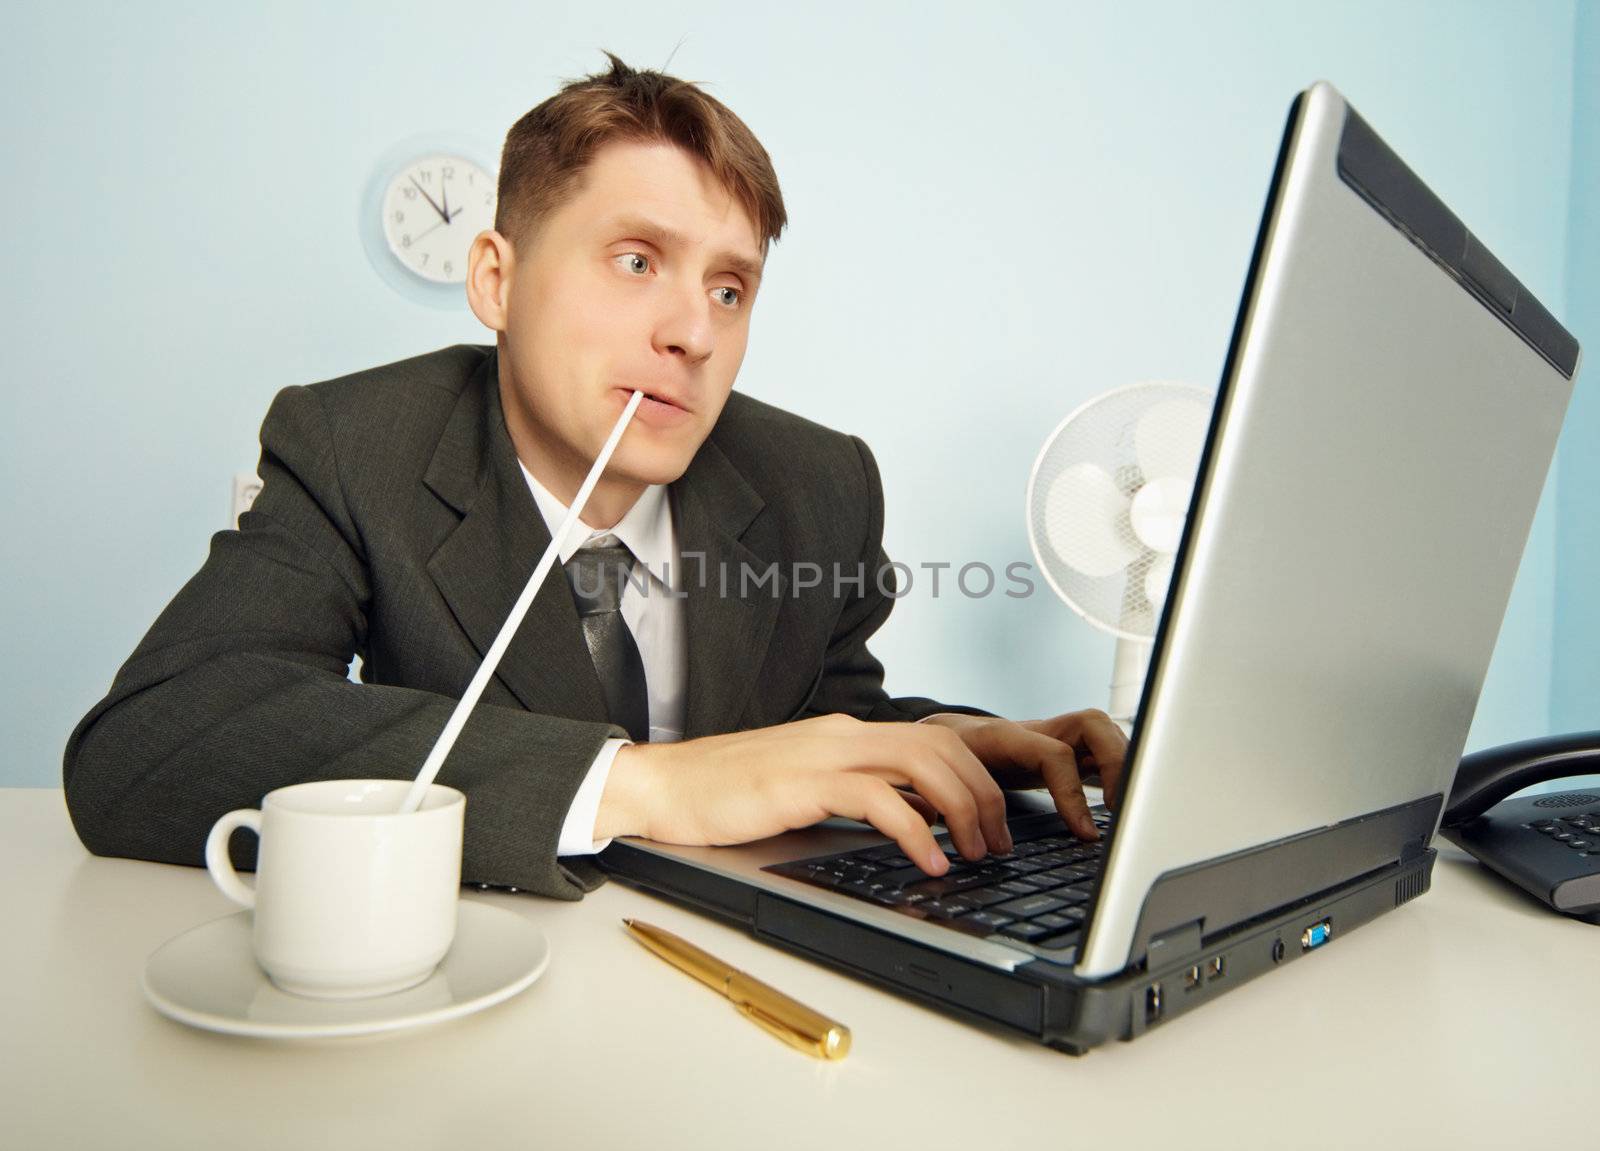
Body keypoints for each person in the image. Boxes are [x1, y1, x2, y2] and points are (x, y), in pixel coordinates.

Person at [63, 53, 1126, 900]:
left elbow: (820, 716)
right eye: (635, 261)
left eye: (728, 289)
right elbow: (152, 744)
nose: (690, 332)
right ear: (497, 279)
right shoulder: (354, 443)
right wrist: (643, 784)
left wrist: (944, 744)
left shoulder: (819, 481)